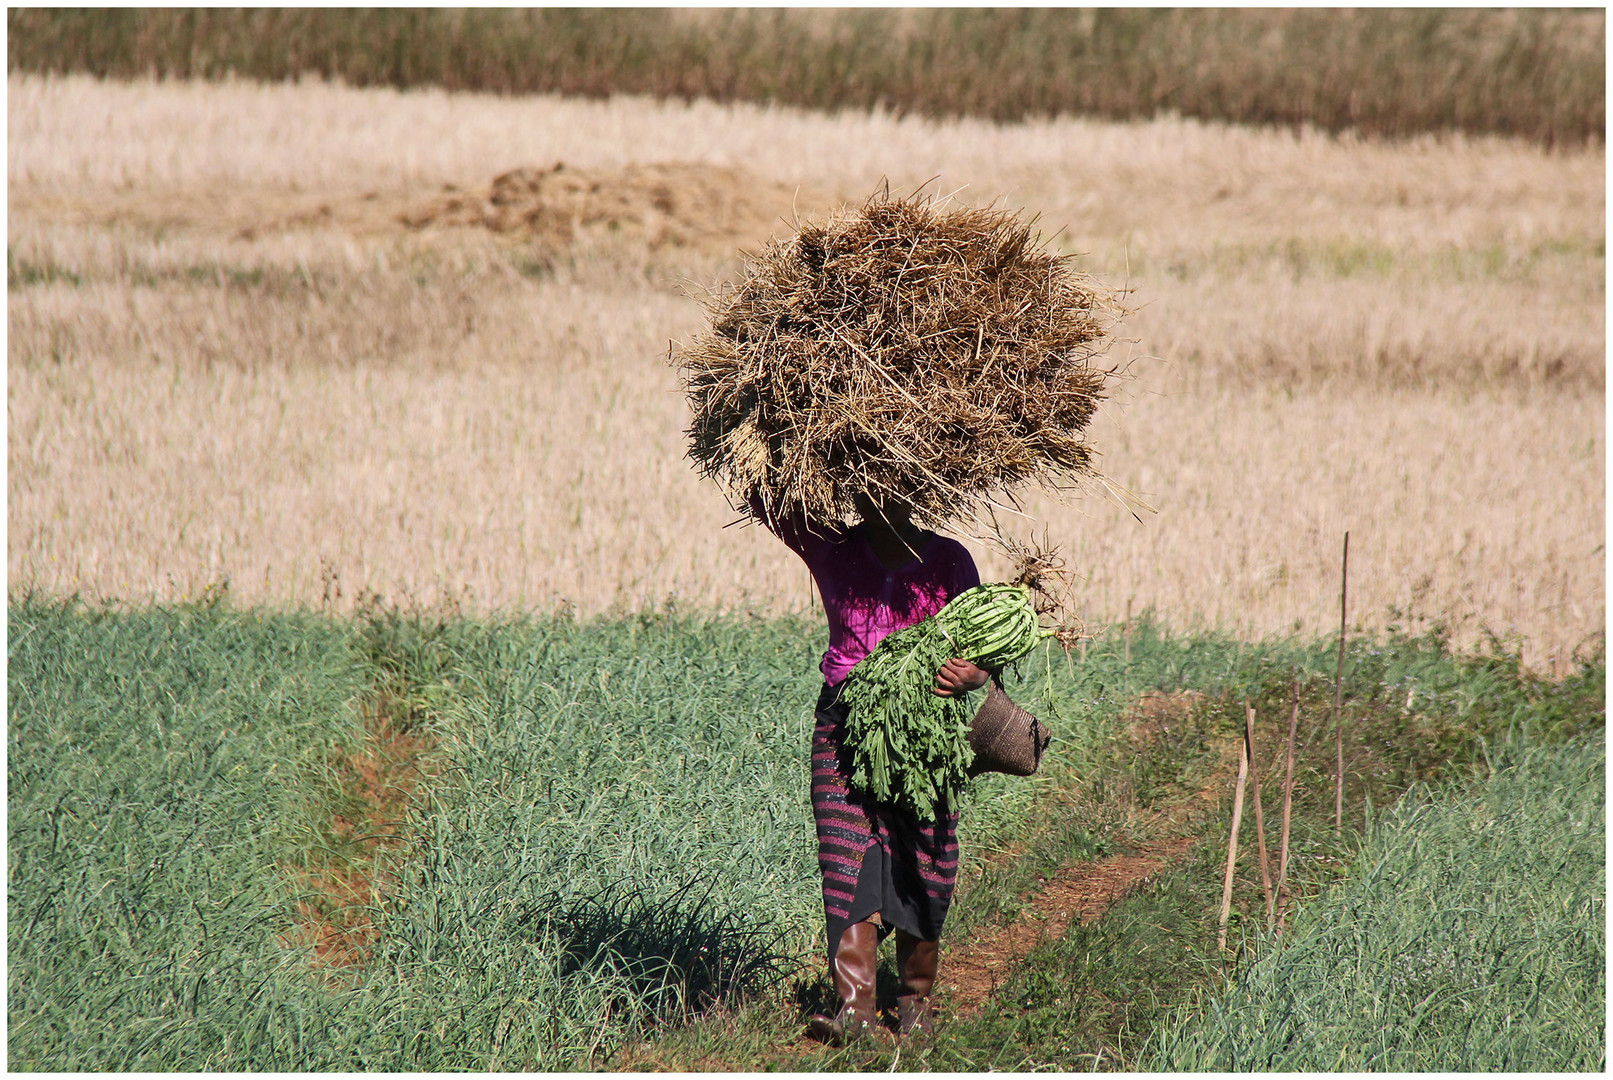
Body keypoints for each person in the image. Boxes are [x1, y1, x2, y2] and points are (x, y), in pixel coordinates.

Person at [751, 491, 988, 1043]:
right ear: (854, 484)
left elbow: (984, 646)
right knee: (844, 855)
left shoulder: (950, 561)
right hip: (842, 724)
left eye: (899, 487)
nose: (884, 500)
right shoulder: (831, 546)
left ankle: (915, 1006)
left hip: (925, 729)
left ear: (921, 488)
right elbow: (768, 498)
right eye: (871, 484)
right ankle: (854, 1011)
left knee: (927, 855)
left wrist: (971, 676)